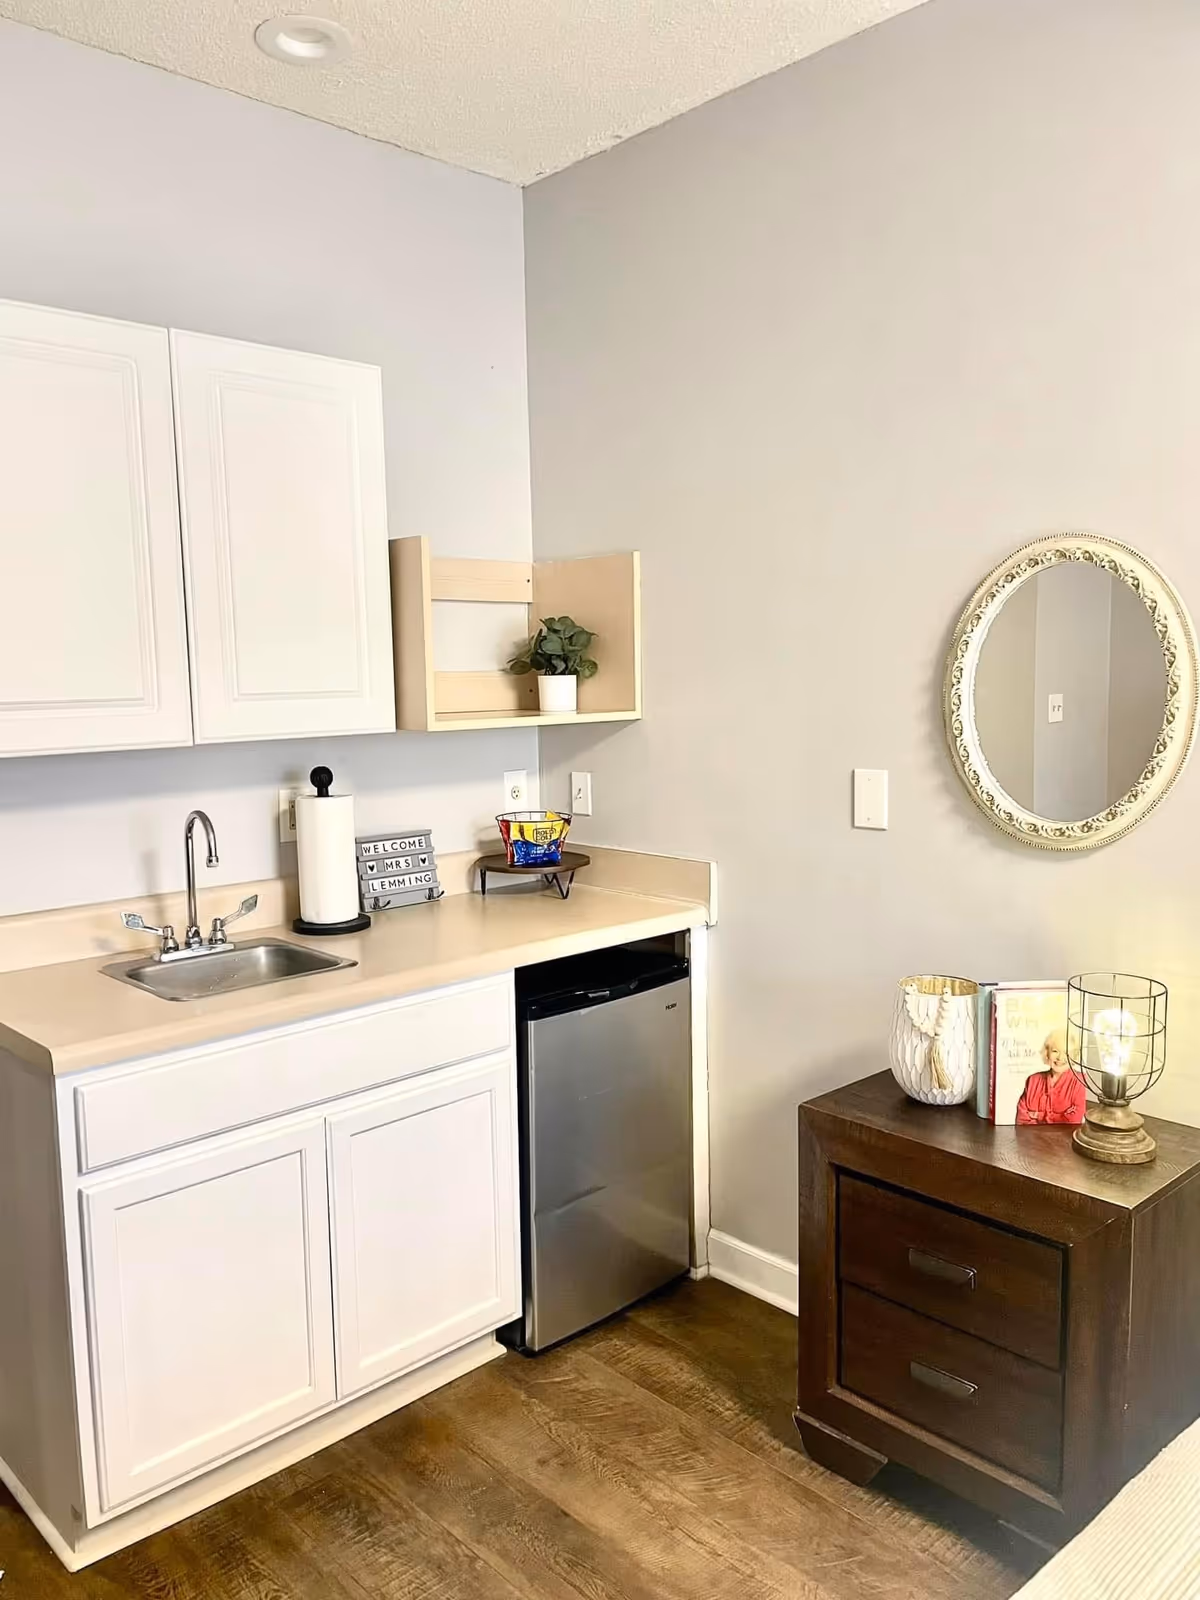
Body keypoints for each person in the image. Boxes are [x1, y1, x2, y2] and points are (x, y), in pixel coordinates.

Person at [1016, 1028, 1086, 1125]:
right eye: (1055, 1051)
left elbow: (1073, 1120)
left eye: (1067, 1053)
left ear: (1074, 1056)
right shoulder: (1032, 1080)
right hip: (1032, 1138)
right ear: (1047, 1053)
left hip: (1064, 1139)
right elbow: (1021, 1120)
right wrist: (1059, 1117)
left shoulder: (1079, 1080)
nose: (1060, 1058)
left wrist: (1039, 1116)